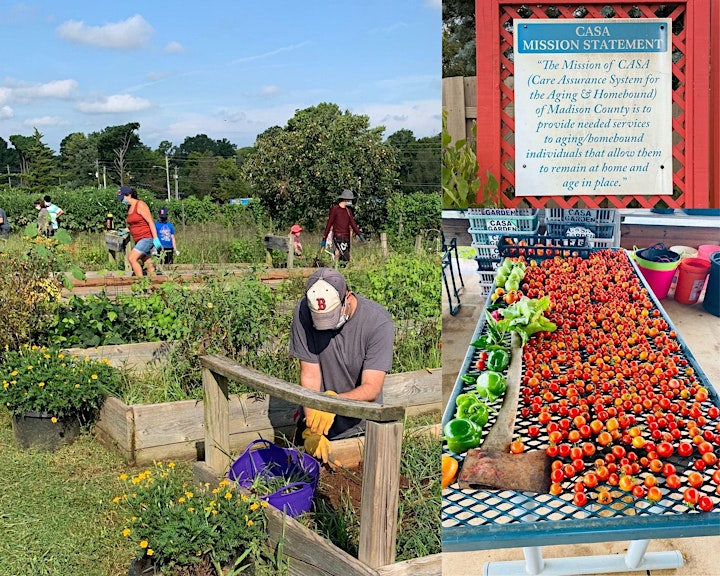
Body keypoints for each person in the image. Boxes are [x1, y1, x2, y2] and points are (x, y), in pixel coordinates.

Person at [289, 268, 394, 463]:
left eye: (332, 317)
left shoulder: (378, 322)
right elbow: (310, 375)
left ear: (347, 297)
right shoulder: (303, 311)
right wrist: (313, 431)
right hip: (316, 420)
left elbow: (371, 389)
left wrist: (333, 402)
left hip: (360, 427)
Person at [117, 186, 163, 277]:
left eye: (122, 198)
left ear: (128, 195)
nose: (122, 200)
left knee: (132, 258)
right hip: (138, 239)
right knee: (148, 265)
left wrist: (155, 238)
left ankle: (140, 283)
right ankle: (154, 286)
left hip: (146, 238)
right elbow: (135, 224)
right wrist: (126, 230)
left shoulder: (140, 205)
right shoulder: (130, 208)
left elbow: (150, 222)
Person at [321, 189, 365, 263]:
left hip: (346, 238)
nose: (350, 202)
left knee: (345, 259)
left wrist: (360, 235)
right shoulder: (335, 209)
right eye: (350, 200)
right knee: (342, 256)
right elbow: (329, 224)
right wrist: (324, 239)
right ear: (346, 199)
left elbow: (353, 224)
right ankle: (336, 269)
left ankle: (342, 271)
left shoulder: (348, 211)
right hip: (338, 237)